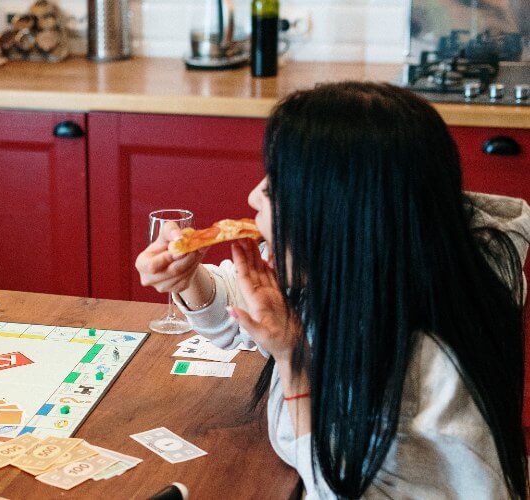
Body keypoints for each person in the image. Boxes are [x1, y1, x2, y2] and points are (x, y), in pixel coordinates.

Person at [136, 82, 528, 498]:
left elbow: (342, 490)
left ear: (341, 215)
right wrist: (189, 279)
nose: (254, 194)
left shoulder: (423, 368)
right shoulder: (370, 263)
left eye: (276, 185)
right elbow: (249, 309)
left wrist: (292, 362)